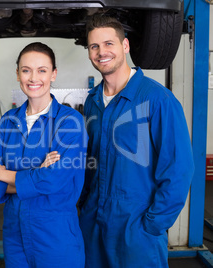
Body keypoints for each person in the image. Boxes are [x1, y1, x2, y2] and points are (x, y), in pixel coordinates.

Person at [78, 15, 194, 268]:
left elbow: (179, 169)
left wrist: (153, 224)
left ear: (126, 46)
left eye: (109, 44)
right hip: (93, 222)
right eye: (94, 46)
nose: (101, 52)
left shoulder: (158, 100)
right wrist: (84, 203)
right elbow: (91, 160)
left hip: (136, 229)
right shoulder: (92, 101)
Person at [0, 42, 88, 268]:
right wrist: (36, 173)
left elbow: (54, 180)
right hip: (14, 233)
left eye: (42, 70)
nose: (33, 78)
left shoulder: (70, 123)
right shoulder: (7, 122)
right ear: (18, 74)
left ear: (53, 74)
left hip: (55, 234)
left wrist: (4, 174)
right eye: (26, 70)